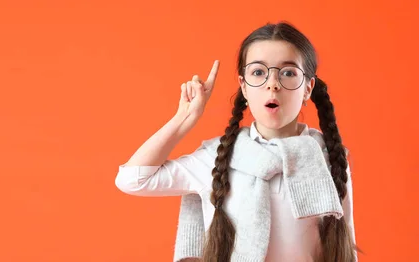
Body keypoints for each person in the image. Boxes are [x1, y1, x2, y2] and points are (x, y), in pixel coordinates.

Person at [114, 22, 359, 262]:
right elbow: (133, 180)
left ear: (307, 88)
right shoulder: (217, 157)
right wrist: (185, 118)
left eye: (288, 73)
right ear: (243, 86)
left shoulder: (327, 159)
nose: (272, 84)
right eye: (258, 72)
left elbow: (345, 249)